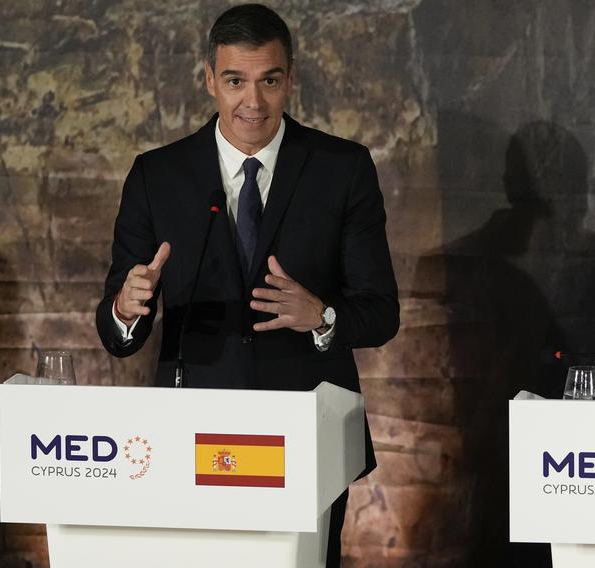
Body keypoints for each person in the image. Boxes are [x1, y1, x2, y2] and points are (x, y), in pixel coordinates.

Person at [94, 4, 399, 565]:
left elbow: (381, 313)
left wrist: (323, 317)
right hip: (194, 439)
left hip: (310, 438)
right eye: (235, 81)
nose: (252, 103)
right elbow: (117, 330)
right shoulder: (158, 176)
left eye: (269, 81)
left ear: (291, 79)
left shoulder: (342, 168)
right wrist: (126, 306)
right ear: (209, 79)